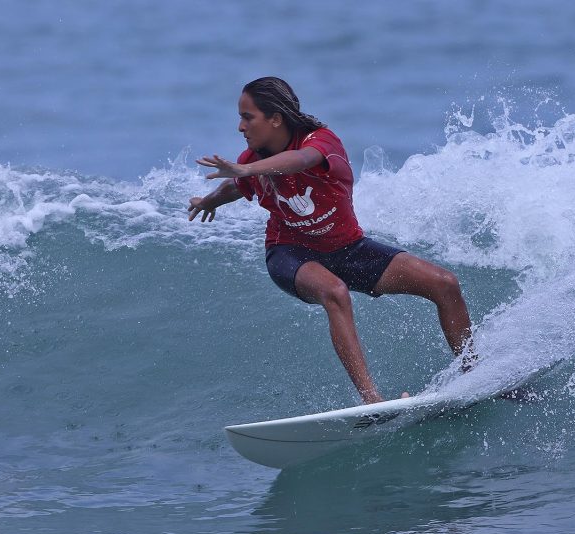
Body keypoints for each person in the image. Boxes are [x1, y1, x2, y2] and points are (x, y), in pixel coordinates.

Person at [188, 77, 473, 405]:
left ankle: (474, 374)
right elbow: (239, 186)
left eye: (248, 117)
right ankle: (372, 401)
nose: (240, 126)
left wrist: (245, 169)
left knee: (445, 283)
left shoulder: (321, 142)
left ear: (275, 119)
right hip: (290, 253)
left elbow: (300, 161)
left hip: (349, 249)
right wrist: (211, 200)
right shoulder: (253, 161)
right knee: (334, 292)